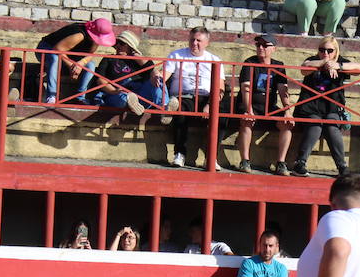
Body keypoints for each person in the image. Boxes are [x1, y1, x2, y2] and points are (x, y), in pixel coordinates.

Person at [285, 36, 360, 177]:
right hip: (309, 107)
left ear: (336, 51)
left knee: (331, 125)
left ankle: (342, 167)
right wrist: (324, 63)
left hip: (332, 107)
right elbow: (304, 68)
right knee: (316, 123)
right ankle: (300, 163)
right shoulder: (313, 60)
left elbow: (358, 69)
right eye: (322, 50)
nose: (325, 53)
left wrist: (338, 66)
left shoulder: (340, 61)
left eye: (329, 51)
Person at [162, 27, 224, 169]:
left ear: (207, 42)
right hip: (184, 95)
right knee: (181, 112)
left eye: (198, 41)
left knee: (221, 116)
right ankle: (179, 154)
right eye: (192, 40)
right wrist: (157, 75)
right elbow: (165, 75)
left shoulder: (214, 60)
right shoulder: (177, 55)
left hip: (207, 96)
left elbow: (221, 88)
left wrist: (211, 104)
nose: (194, 43)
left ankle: (211, 157)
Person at [236, 33, 293, 173]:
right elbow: (246, 89)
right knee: (247, 120)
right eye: (258, 45)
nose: (260, 47)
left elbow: (283, 90)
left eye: (265, 45)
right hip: (250, 105)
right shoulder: (249, 63)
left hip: (270, 107)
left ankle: (281, 163)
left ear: (274, 49)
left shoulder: (278, 66)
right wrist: (248, 109)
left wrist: (288, 110)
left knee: (287, 123)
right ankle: (244, 161)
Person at [76, 30, 166, 119]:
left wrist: (138, 58)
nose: (118, 46)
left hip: (140, 93)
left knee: (158, 79)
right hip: (116, 93)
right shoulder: (108, 59)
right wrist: (114, 91)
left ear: (130, 47)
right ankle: (129, 100)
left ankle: (164, 107)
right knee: (122, 98)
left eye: (122, 44)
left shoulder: (138, 62)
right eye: (117, 43)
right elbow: (100, 80)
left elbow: (152, 69)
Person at [35, 17, 117, 104]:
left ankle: (80, 97)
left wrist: (81, 63)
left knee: (91, 66)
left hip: (68, 54)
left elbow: (90, 54)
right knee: (55, 59)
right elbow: (57, 49)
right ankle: (51, 95)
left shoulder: (95, 39)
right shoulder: (79, 35)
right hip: (48, 49)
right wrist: (72, 66)